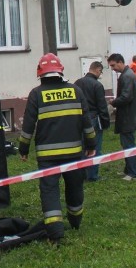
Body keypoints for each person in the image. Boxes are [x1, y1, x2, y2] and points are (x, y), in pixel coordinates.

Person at [18, 53, 96, 244]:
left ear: (40, 73)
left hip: (47, 156)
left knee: (49, 191)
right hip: (74, 153)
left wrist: (23, 149)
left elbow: (28, 126)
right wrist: (91, 145)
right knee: (75, 187)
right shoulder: (76, 91)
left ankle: (55, 234)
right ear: (60, 71)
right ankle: (75, 222)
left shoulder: (36, 94)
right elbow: (87, 123)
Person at [107, 53, 136, 180]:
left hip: (128, 117)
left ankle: (133, 173)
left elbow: (126, 97)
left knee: (128, 145)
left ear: (120, 62)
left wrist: (113, 102)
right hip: (129, 116)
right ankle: (128, 170)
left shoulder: (127, 77)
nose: (112, 68)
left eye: (113, 65)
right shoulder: (127, 74)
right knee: (127, 144)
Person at [74, 61, 110, 182]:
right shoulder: (97, 85)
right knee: (95, 147)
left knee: (82, 147)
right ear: (97, 70)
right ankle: (92, 175)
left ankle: (81, 174)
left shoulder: (77, 83)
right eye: (101, 71)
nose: (100, 74)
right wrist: (105, 123)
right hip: (94, 118)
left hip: (79, 118)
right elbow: (102, 107)